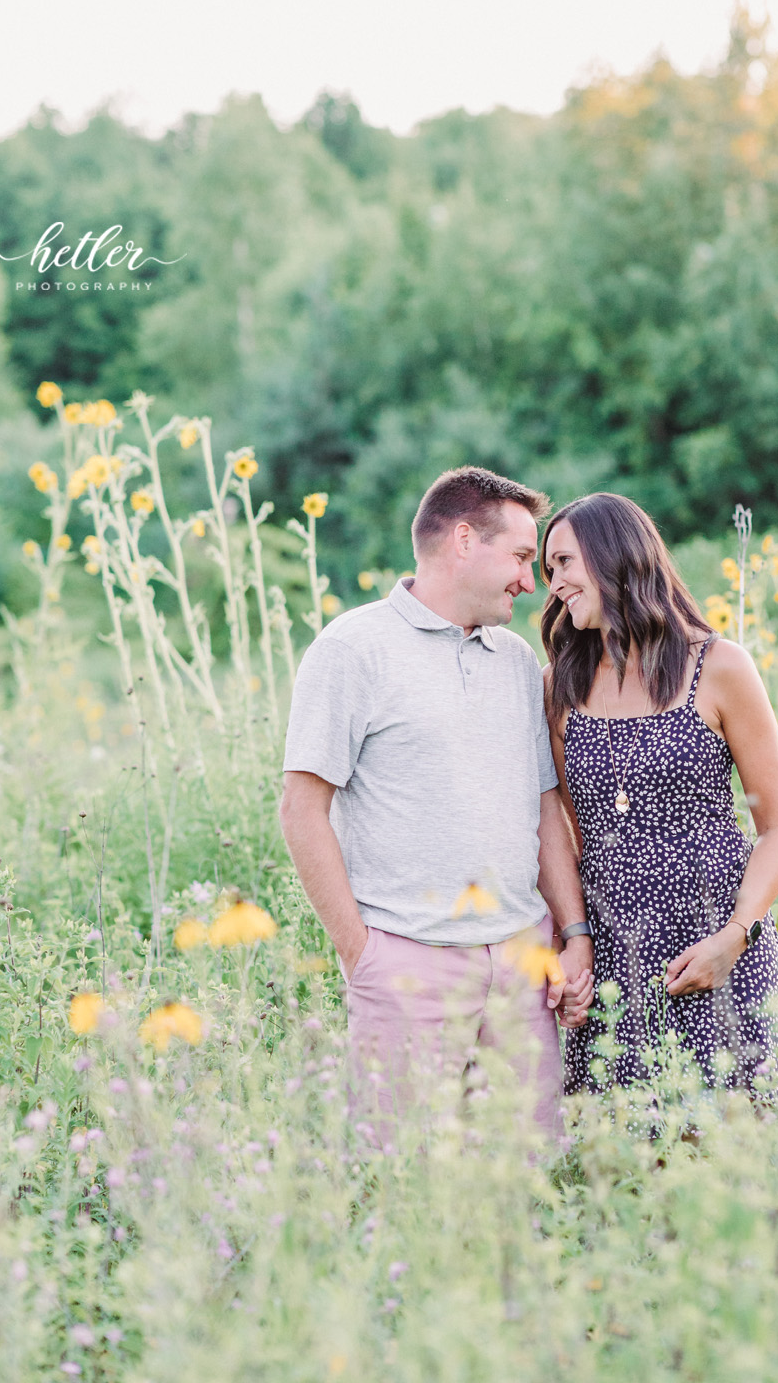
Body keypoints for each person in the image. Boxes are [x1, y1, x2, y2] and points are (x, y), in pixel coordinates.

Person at [280, 467, 595, 1146]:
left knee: (523, 1179)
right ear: (461, 541)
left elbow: (544, 811)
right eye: (518, 556)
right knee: (408, 1187)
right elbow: (301, 810)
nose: (529, 580)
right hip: (407, 967)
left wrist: (572, 935)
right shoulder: (351, 650)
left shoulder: (516, 662)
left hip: (522, 969)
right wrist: (362, 955)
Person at [540, 493, 778, 1108]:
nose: (555, 585)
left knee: (733, 1146)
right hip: (615, 957)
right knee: (631, 1167)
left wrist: (736, 935)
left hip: (717, 947)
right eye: (549, 570)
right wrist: (574, 937)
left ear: (614, 556)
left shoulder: (720, 666)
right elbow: (570, 830)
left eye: (565, 563)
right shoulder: (560, 684)